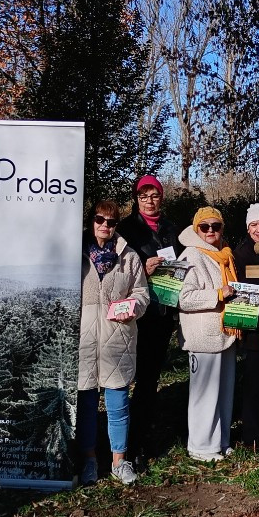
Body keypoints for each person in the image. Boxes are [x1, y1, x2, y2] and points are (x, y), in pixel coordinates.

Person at [77, 200, 150, 486]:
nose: (105, 226)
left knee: (118, 403)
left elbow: (142, 292)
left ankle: (120, 461)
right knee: (85, 404)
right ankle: (88, 460)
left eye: (111, 222)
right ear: (91, 221)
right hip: (84, 341)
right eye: (100, 220)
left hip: (117, 340)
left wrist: (133, 307)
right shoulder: (76, 255)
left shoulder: (129, 257)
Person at [116, 174, 181, 466]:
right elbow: (115, 270)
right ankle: (122, 444)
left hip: (162, 312)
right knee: (124, 379)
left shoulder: (171, 228)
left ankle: (140, 441)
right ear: (136, 199)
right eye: (144, 196)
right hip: (135, 313)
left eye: (154, 195)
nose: (150, 201)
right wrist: (143, 267)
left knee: (148, 379)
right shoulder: (126, 229)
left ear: (162, 198)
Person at [178, 207, 240, 461]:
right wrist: (217, 294)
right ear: (196, 229)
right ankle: (201, 446)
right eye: (205, 227)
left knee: (224, 392)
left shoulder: (225, 254)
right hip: (203, 335)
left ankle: (220, 440)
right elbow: (183, 298)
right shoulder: (190, 255)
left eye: (216, 226)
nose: (211, 231)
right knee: (204, 394)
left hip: (226, 333)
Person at [232, 203, 259, 451]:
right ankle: (252, 437)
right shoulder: (240, 254)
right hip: (254, 329)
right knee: (254, 382)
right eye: (254, 225)